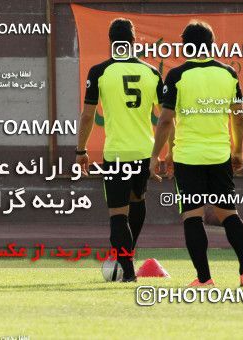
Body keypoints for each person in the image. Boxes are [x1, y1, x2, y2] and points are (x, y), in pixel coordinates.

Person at [150, 20, 243, 287]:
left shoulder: (177, 75)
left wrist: (157, 155)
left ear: (186, 47)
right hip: (220, 155)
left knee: (192, 215)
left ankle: (205, 278)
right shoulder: (229, 74)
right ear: (211, 45)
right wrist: (239, 151)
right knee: (228, 212)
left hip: (188, 157)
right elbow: (238, 117)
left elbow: (165, 120)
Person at [76, 18, 163, 282]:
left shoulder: (100, 72)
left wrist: (81, 150)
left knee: (117, 213)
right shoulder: (152, 73)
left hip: (116, 155)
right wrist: (163, 153)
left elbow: (88, 116)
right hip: (144, 152)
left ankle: (127, 271)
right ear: (134, 41)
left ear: (111, 42)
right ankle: (127, 258)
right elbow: (167, 117)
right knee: (137, 203)